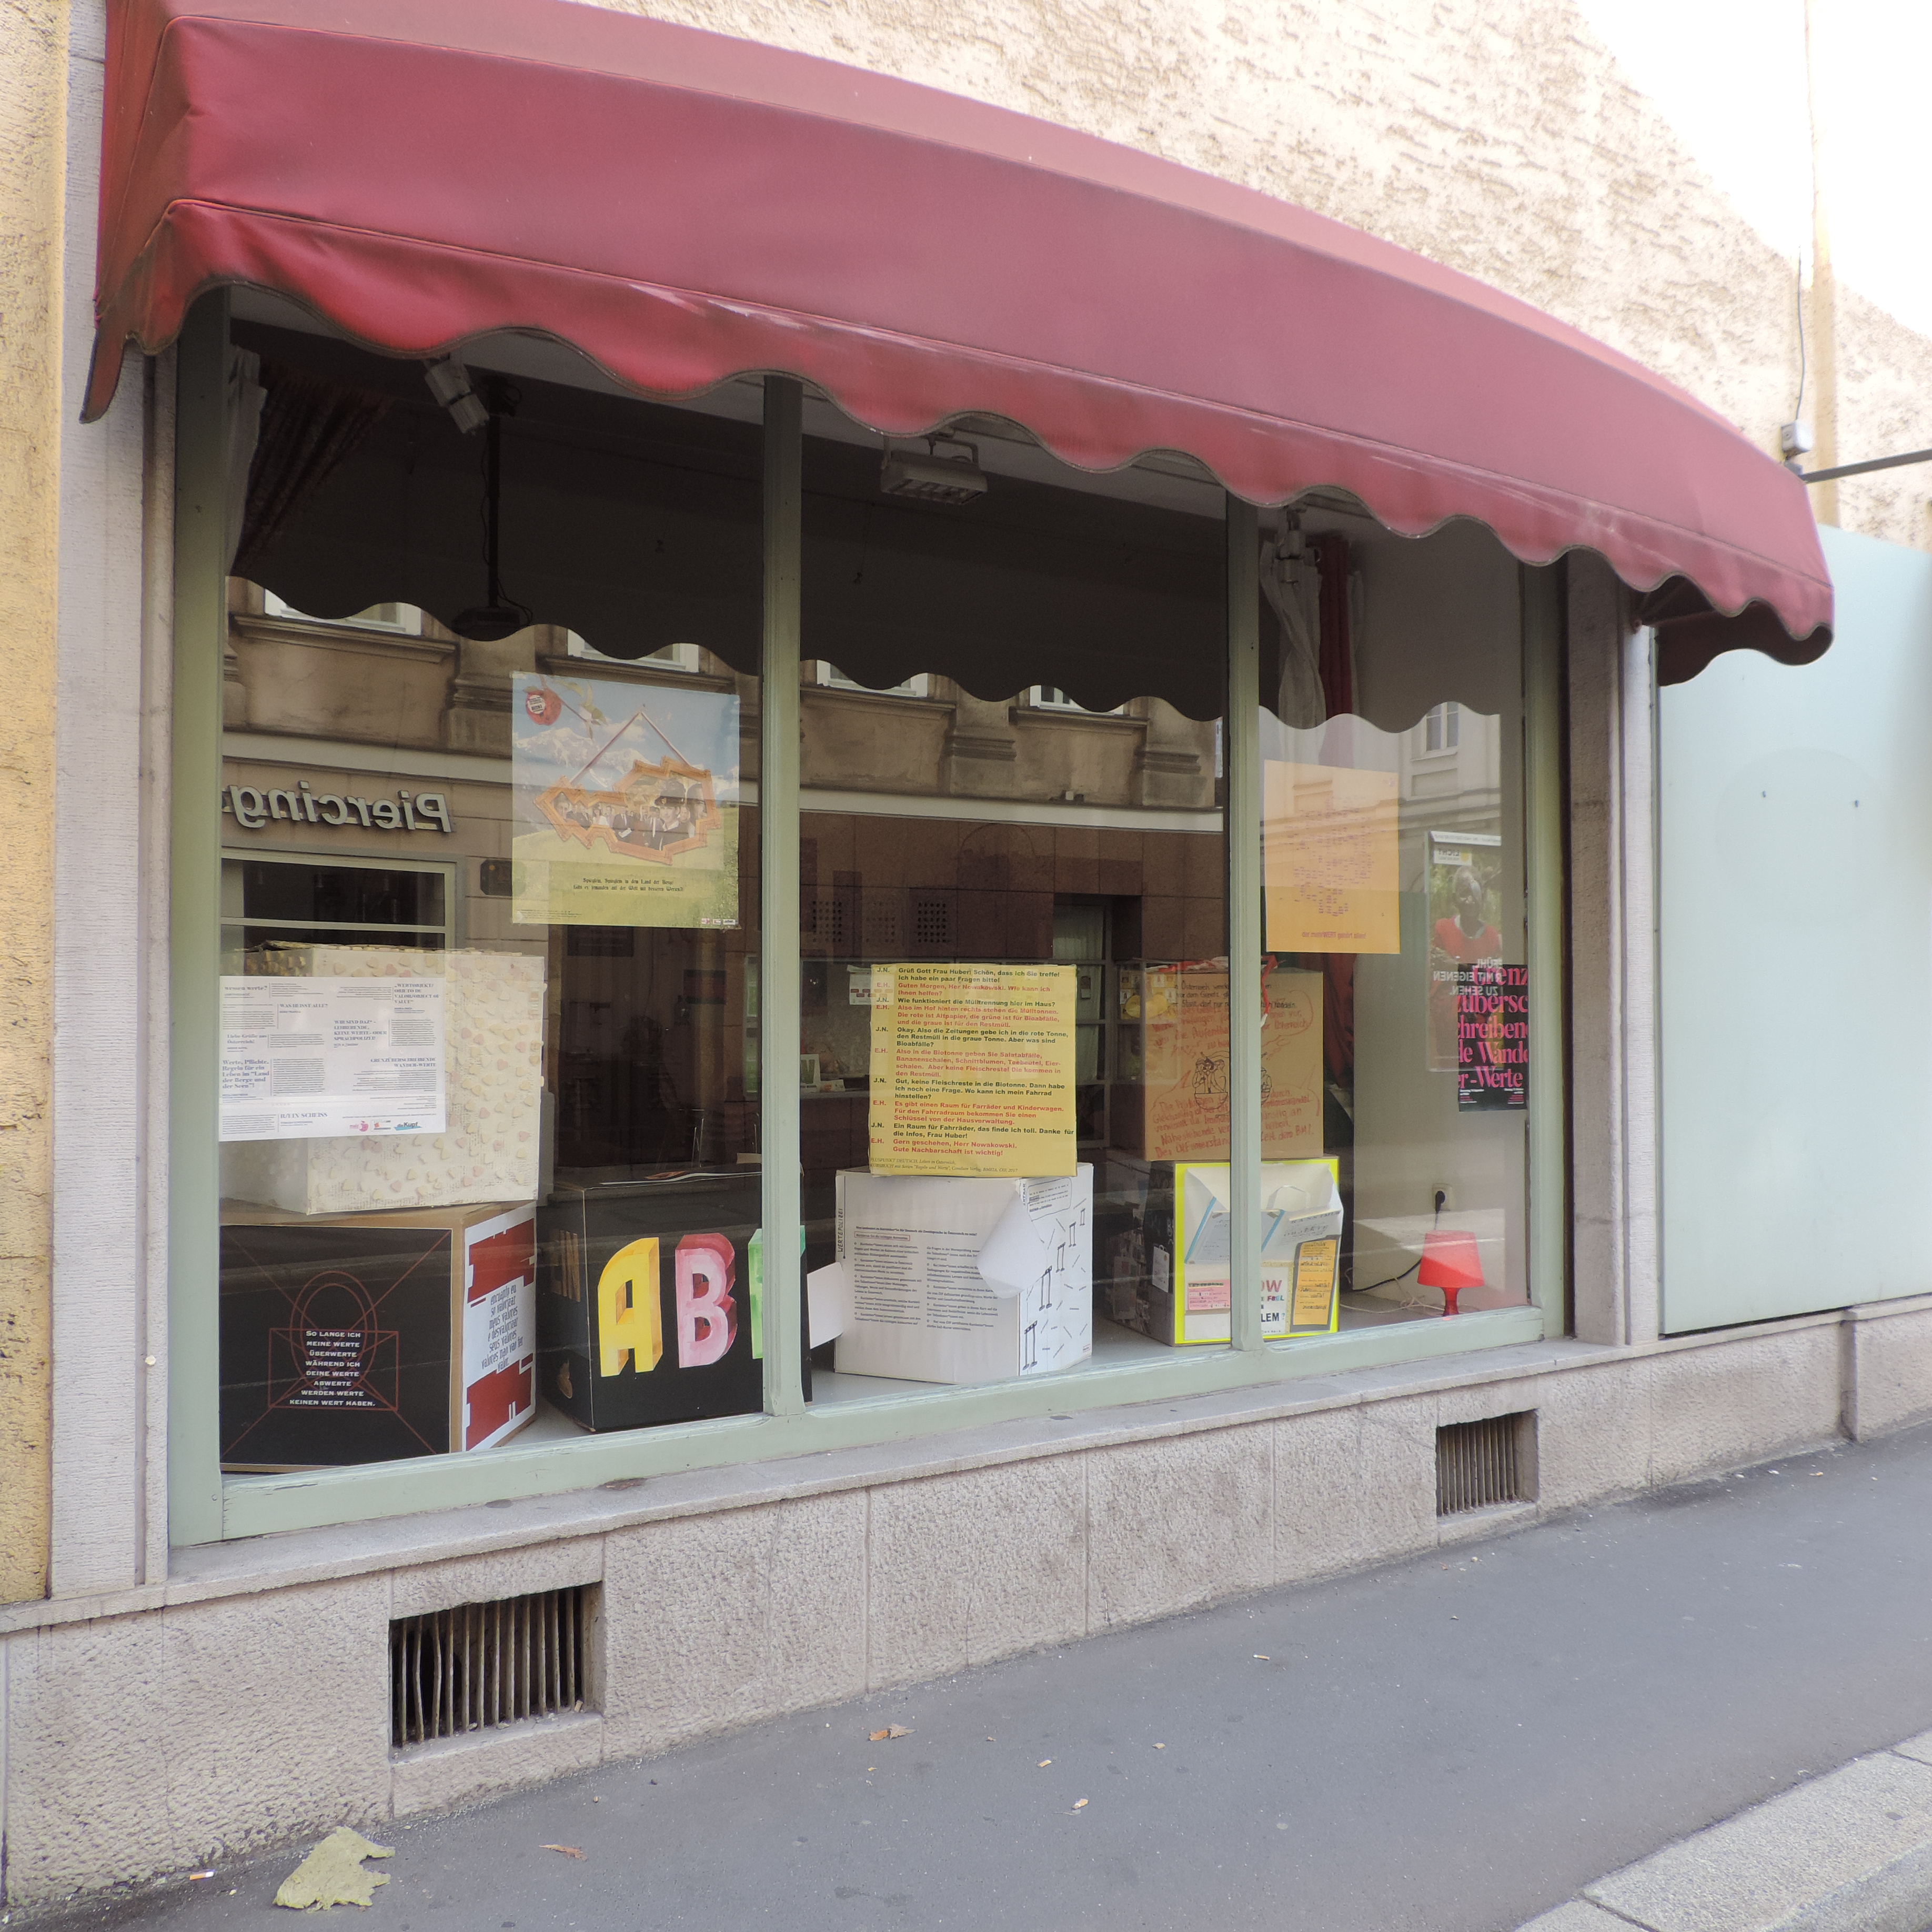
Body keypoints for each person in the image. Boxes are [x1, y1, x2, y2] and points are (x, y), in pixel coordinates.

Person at [1429, 865, 1500, 1067]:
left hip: (1482, 1035)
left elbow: (1493, 988)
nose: (1470, 901)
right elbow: (1437, 986)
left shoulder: (1492, 936)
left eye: (1475, 893)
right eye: (1464, 894)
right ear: (1454, 899)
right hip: (1449, 1037)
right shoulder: (1443, 929)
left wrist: (1458, 968)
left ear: (1483, 896)